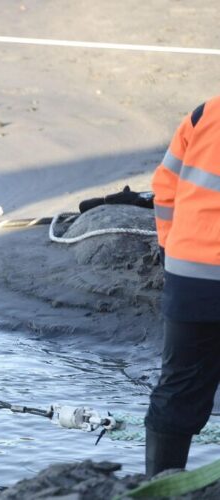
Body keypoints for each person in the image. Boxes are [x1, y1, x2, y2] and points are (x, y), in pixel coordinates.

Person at [145, 97, 220, 475]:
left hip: (189, 273)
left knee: (177, 388)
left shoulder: (206, 113)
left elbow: (164, 185)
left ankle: (158, 487)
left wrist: (169, 245)